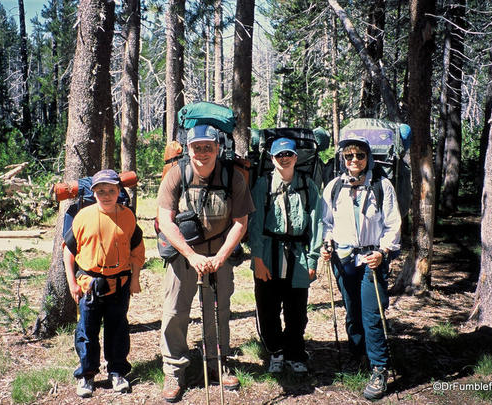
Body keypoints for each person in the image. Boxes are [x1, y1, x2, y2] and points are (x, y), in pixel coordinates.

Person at [156, 125, 254, 402]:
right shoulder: (177, 174)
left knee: (219, 311)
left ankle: (217, 363)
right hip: (183, 257)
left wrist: (221, 257)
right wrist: (191, 256)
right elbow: (165, 220)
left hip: (220, 256)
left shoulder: (231, 177)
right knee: (175, 312)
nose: (202, 152)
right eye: (197, 147)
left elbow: (241, 222)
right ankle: (174, 370)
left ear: (217, 148)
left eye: (208, 146)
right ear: (188, 149)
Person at [320, 136, 401, 400]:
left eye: (360, 156)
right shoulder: (334, 187)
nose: (354, 160)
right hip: (343, 258)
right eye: (348, 156)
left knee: (372, 315)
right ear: (342, 159)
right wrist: (326, 242)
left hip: (372, 258)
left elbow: (393, 224)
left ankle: (379, 368)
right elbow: (327, 222)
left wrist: (383, 251)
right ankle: (358, 356)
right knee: (352, 311)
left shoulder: (381, 186)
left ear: (369, 158)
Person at [63, 169, 145, 398]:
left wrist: (135, 279)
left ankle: (117, 371)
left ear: (119, 191)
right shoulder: (83, 217)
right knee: (87, 331)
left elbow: (138, 250)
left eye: (111, 190)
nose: (106, 195)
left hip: (119, 285)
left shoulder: (128, 217)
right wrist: (72, 283)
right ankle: (86, 375)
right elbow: (68, 252)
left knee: (117, 329)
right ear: (93, 192)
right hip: (89, 285)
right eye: (101, 191)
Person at [248, 137, 322, 374]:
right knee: (268, 307)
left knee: (297, 310)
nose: (284, 158)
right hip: (269, 255)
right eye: (279, 155)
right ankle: (275, 352)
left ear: (296, 157)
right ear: (272, 159)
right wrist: (257, 258)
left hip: (298, 257)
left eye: (288, 154)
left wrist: (312, 259)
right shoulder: (263, 184)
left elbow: (316, 222)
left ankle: (295, 352)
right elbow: (255, 223)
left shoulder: (307, 185)